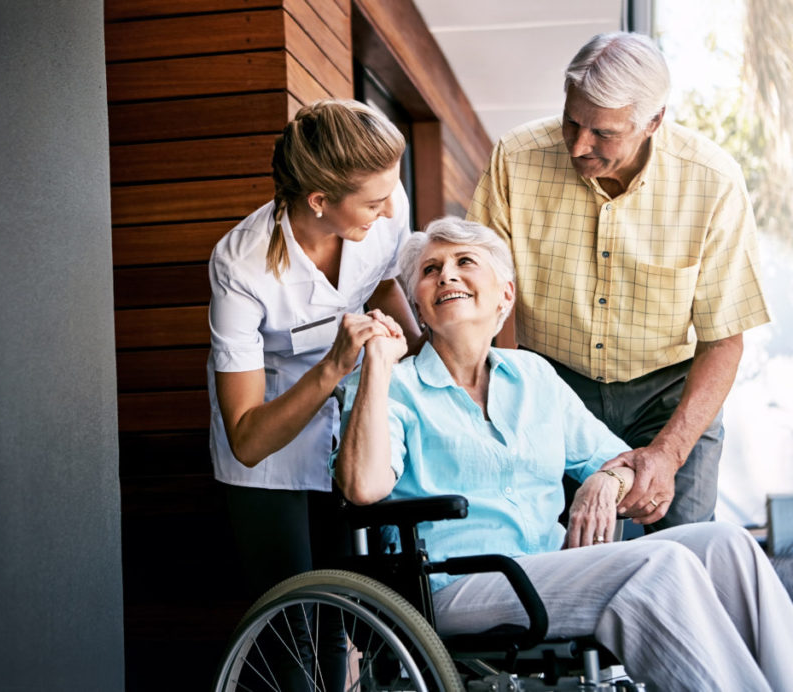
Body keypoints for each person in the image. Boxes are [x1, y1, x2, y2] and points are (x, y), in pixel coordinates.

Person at [332, 216, 793, 691]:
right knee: (656, 566)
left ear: (505, 296)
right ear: (419, 310)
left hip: (548, 569)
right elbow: (363, 487)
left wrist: (606, 480)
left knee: (727, 546)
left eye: (464, 262)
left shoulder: (533, 376)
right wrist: (376, 369)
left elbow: (624, 465)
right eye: (430, 270)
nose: (446, 275)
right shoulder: (395, 386)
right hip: (455, 584)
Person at [466, 31, 771, 533]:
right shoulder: (515, 158)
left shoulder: (712, 181)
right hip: (555, 385)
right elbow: (485, 298)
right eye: (571, 122)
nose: (579, 145)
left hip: (671, 394)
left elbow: (724, 338)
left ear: (654, 121)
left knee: (687, 556)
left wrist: (669, 454)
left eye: (603, 133)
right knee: (565, 555)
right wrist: (503, 401)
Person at [208, 99, 422, 689]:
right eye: (373, 202)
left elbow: (379, 280)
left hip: (346, 414)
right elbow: (248, 438)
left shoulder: (385, 206)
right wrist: (332, 365)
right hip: (269, 430)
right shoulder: (241, 265)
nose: (390, 210)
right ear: (320, 201)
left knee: (339, 611)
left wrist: (416, 346)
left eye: (390, 195)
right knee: (290, 625)